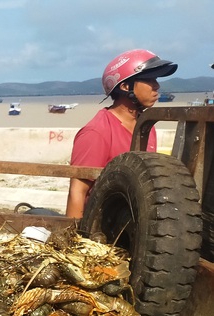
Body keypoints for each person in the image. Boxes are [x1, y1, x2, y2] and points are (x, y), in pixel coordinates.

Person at [65, 49, 177, 219]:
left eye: (156, 79)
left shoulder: (146, 127)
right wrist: (77, 240)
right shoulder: (97, 132)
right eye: (149, 80)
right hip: (102, 226)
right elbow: (78, 191)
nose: (157, 86)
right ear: (125, 86)